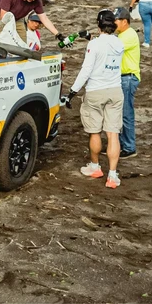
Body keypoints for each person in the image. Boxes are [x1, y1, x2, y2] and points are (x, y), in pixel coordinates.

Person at [64, 10, 125, 189]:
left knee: (95, 131)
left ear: (99, 25)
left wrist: (73, 91)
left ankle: (95, 166)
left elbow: (86, 70)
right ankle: (112, 176)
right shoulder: (119, 43)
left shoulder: (95, 45)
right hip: (115, 90)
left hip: (95, 91)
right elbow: (106, 47)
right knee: (113, 133)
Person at [0, 0, 70, 47]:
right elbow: (3, 16)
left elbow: (44, 19)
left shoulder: (36, 0)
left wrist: (58, 34)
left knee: (22, 43)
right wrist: (9, 32)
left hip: (17, 18)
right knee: (1, 40)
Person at [113, 7, 140, 159]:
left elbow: (112, 47)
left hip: (128, 78)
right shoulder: (122, 34)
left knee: (126, 113)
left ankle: (129, 147)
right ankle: (121, 143)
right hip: (123, 78)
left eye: (115, 20)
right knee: (120, 113)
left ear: (124, 21)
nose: (114, 24)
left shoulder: (128, 35)